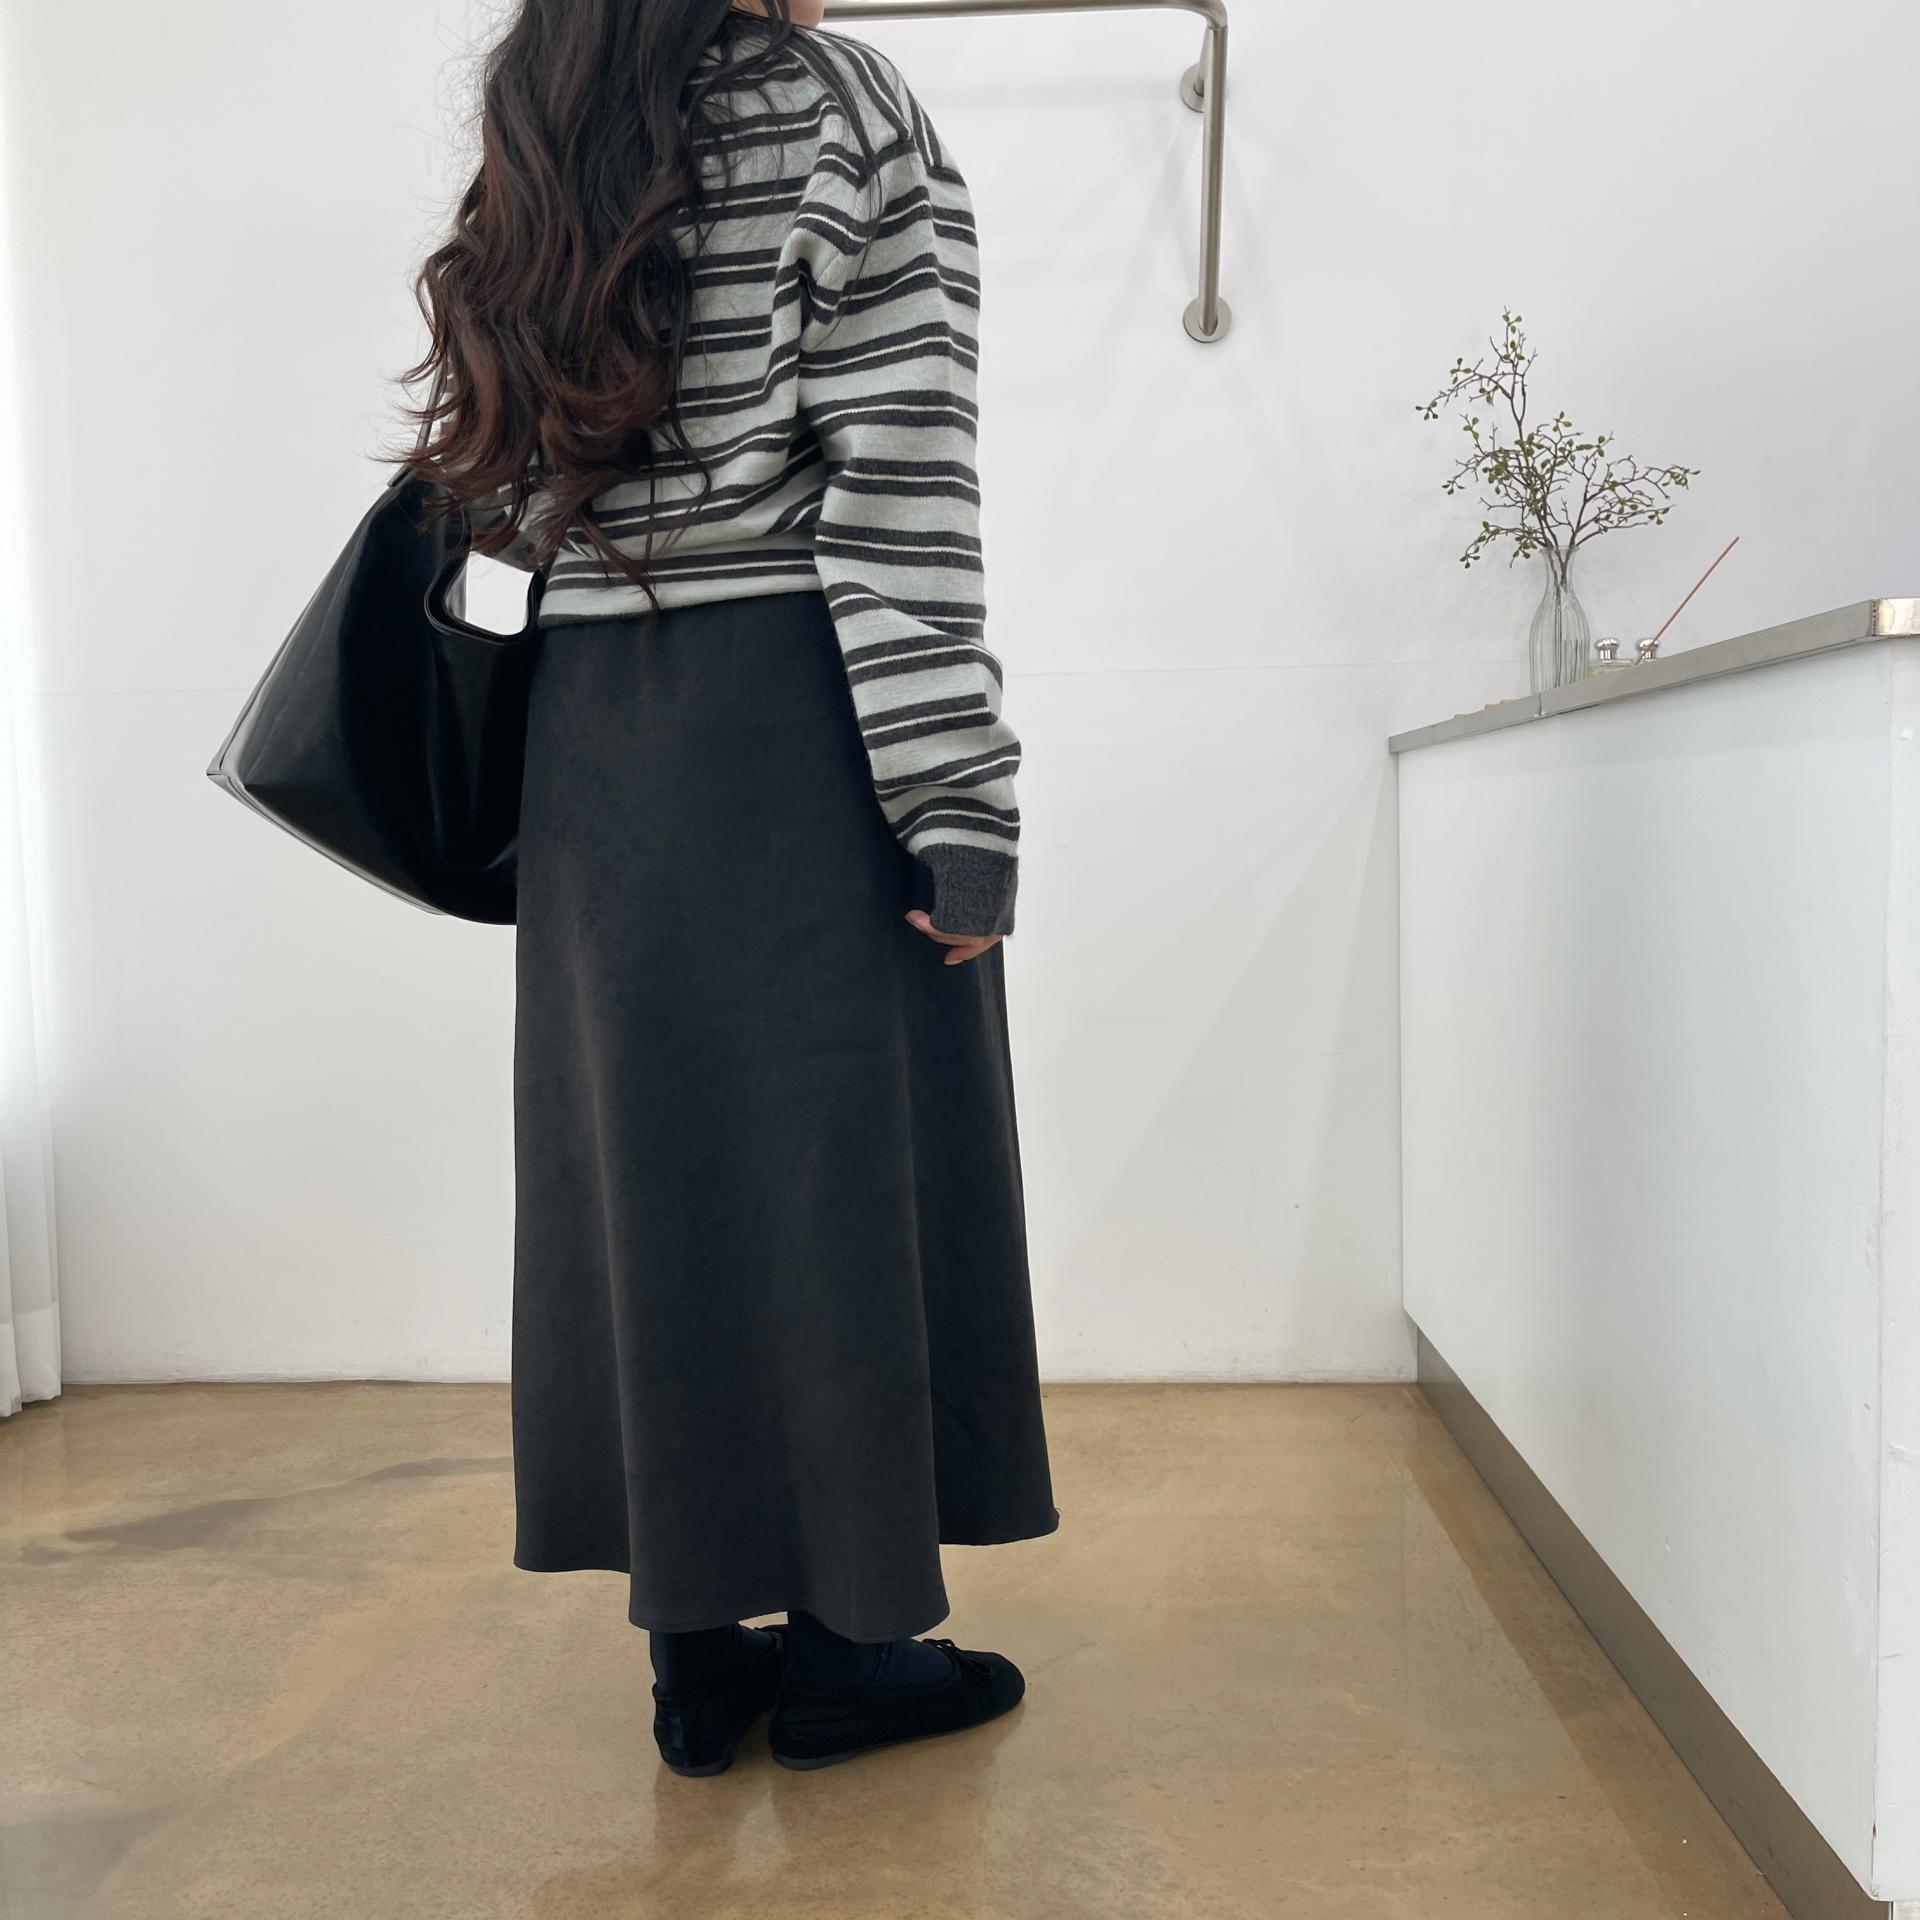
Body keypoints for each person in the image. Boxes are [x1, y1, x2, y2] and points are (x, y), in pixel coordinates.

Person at [395, 0, 1057, 1775]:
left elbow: (507, 486)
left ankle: (695, 1660)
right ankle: (852, 1655)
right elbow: (898, 487)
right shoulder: (840, 104)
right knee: (841, 1179)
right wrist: (958, 798)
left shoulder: (553, 102)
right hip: (795, 719)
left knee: (648, 1180)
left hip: (596, 735)